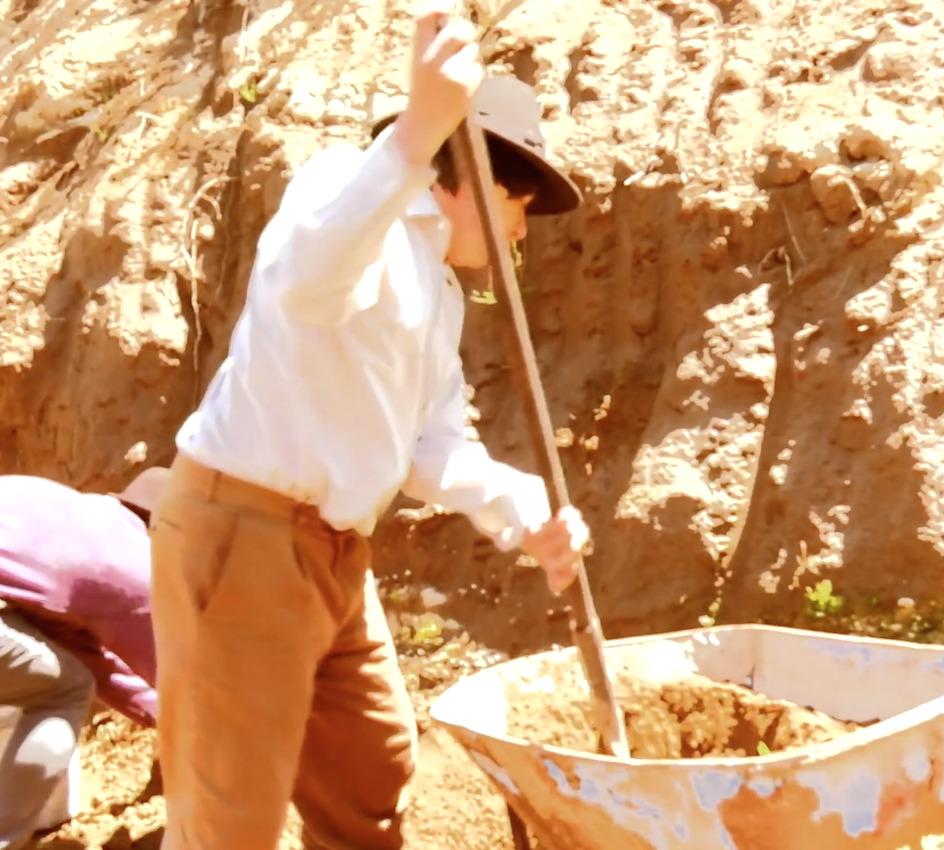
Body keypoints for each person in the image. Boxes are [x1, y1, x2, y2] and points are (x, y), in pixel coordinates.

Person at [150, 6, 590, 850]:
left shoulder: (439, 292)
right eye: (519, 204)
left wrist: (525, 510)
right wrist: (421, 128)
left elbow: (431, 446)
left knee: (370, 776)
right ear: (470, 177)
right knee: (226, 821)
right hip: (239, 539)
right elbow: (306, 287)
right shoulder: (346, 198)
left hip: (336, 556)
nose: (521, 232)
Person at [0, 467, 166, 849]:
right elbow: (178, 683)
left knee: (59, 678)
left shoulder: (61, 507)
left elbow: (93, 665)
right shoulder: (133, 562)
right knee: (62, 694)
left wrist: (159, 713)